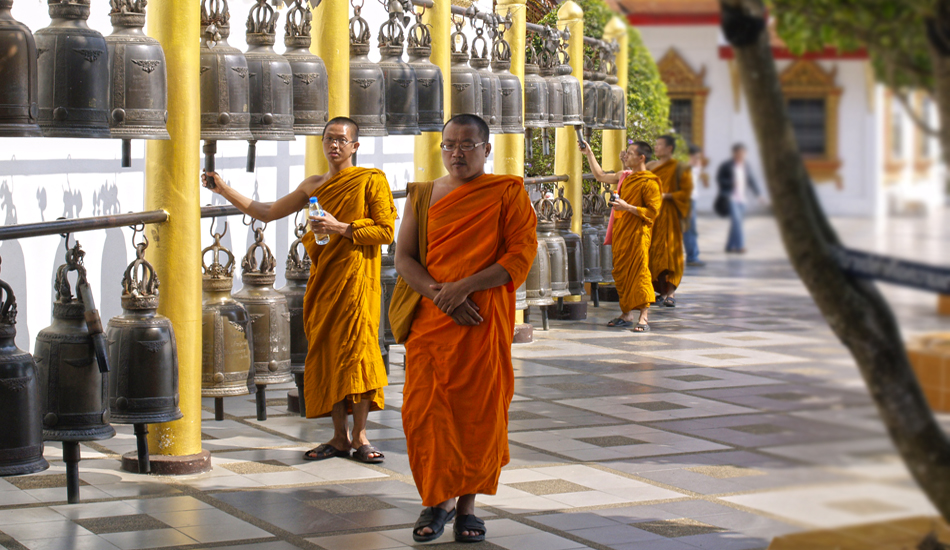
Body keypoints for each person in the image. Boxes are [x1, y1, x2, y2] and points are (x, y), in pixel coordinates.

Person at [201, 117, 395, 465]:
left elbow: (385, 231)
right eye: (328, 140)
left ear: (355, 146)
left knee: (360, 355)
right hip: (323, 286)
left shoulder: (370, 181)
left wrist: (340, 227)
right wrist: (223, 189)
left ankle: (361, 436)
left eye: (341, 140)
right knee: (328, 355)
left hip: (358, 286)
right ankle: (338, 437)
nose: (334, 146)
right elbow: (267, 212)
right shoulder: (313, 186)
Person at [391, 114, 537, 544]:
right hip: (432, 322)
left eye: (467, 145)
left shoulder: (507, 193)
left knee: (476, 415)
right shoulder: (422, 195)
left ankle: (467, 506)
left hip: (480, 321)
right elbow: (404, 258)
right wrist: (442, 296)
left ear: (486, 150)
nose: (457, 153)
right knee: (426, 413)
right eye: (449, 145)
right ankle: (436, 500)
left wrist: (466, 288)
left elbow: (520, 256)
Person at [580, 139, 662, 332]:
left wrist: (627, 207)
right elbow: (599, 176)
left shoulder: (649, 182)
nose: (626, 155)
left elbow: (652, 212)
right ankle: (626, 314)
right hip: (621, 234)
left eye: (631, 153)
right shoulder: (624, 176)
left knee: (640, 273)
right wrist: (589, 153)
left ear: (642, 157)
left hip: (638, 235)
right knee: (621, 274)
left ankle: (643, 316)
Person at [646, 135, 693, 307]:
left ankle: (671, 293)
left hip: (671, 215)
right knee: (654, 253)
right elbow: (636, 178)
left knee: (671, 255)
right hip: (654, 216)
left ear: (669, 149)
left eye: (660, 145)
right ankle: (660, 291)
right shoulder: (651, 166)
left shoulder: (679, 168)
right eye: (656, 145)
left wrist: (665, 196)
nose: (656, 148)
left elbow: (686, 193)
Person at [716, 143, 762, 253]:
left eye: (743, 153)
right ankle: (740, 246)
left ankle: (729, 246)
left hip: (742, 199)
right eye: (739, 152)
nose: (741, 155)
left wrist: (758, 194)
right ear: (734, 153)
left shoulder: (746, 166)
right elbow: (720, 179)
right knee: (737, 221)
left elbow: (751, 181)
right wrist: (732, 182)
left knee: (736, 222)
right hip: (730, 198)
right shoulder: (727, 165)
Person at [684, 144, 709, 267]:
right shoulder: (685, 168)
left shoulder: (695, 166)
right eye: (696, 157)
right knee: (689, 229)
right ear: (690, 156)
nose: (698, 159)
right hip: (686, 201)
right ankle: (692, 257)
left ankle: (692, 255)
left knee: (690, 229)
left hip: (691, 200)